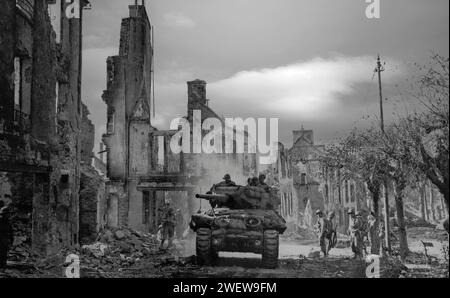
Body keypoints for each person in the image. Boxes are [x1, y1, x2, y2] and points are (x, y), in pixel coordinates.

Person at [0, 201, 13, 269]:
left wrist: (11, 240)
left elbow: (11, 232)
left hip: (5, 240)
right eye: (8, 214)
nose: (9, 215)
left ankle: (3, 264)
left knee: (4, 253)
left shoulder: (8, 222)